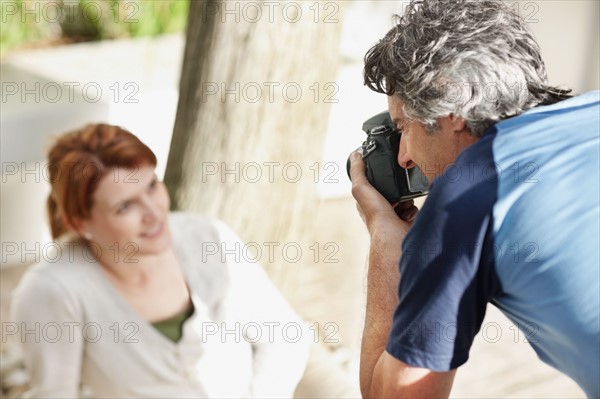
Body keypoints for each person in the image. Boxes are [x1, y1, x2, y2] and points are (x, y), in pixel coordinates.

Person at [349, 0, 599, 398]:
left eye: (403, 127)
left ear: (452, 110)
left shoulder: (470, 197)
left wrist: (385, 242)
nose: (402, 156)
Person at [10, 123, 310, 398]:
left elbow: (285, 339)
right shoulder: (53, 291)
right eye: (125, 206)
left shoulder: (208, 238)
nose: (153, 213)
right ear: (79, 223)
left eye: (152, 186)